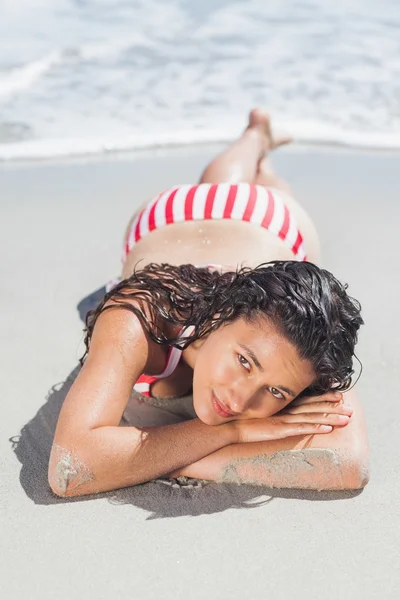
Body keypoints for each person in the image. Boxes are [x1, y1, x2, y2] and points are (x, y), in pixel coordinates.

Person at [48, 109, 369, 497]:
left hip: (262, 237)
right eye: (245, 362)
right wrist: (233, 433)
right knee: (242, 191)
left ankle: (259, 152)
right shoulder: (139, 316)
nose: (239, 399)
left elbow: (349, 463)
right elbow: (69, 469)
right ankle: (255, 136)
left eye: (278, 393)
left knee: (265, 189)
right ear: (220, 314)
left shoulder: (304, 347)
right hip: (182, 220)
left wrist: (180, 460)